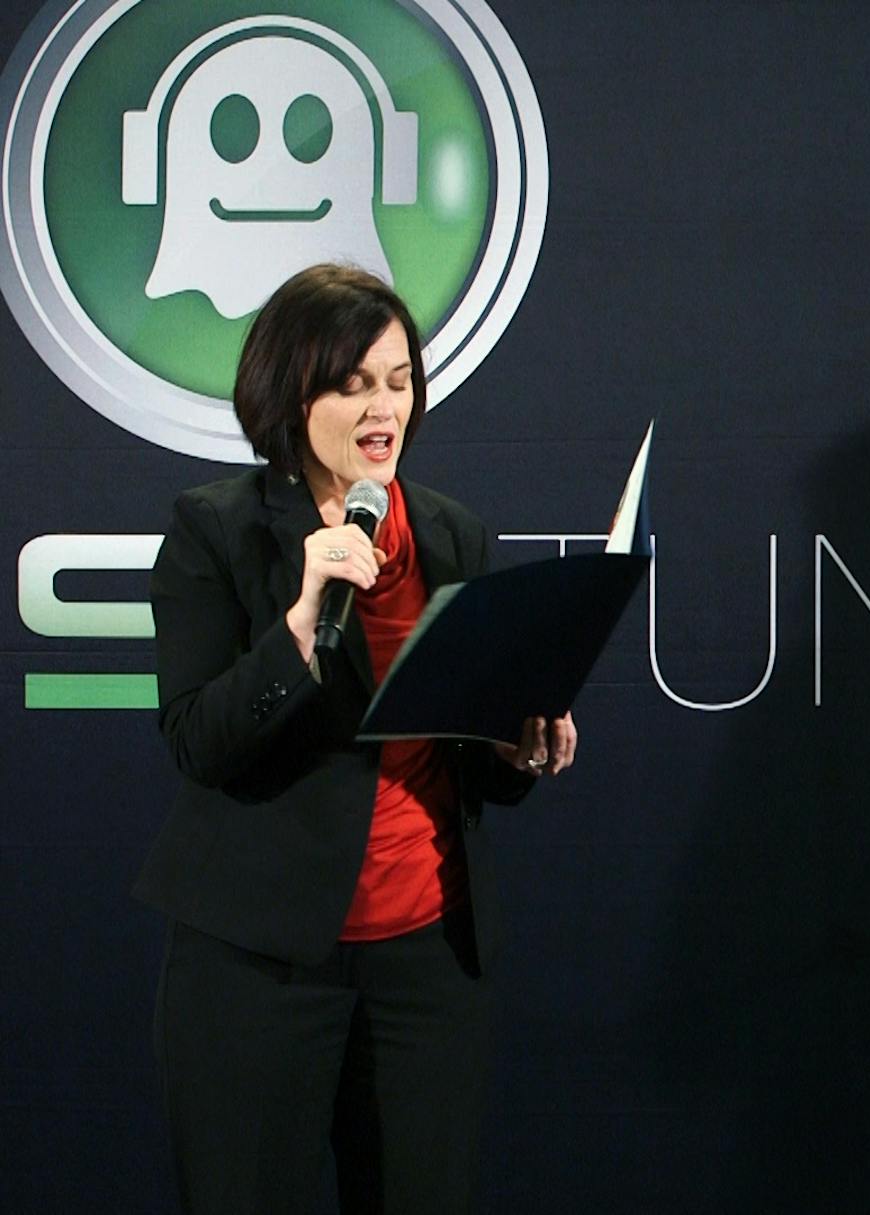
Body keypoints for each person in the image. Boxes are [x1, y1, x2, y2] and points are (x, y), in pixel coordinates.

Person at [136, 263, 577, 1213]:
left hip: (425, 964)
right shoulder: (218, 533)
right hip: (260, 968)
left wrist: (518, 748)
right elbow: (199, 740)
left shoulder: (453, 537)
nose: (384, 408)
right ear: (289, 392)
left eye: (399, 380)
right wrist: (298, 628)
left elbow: (467, 755)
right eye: (352, 384)